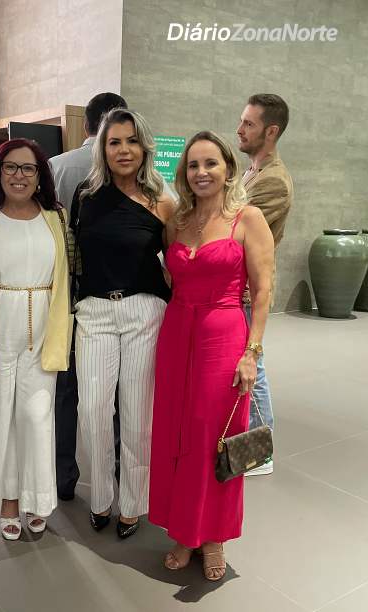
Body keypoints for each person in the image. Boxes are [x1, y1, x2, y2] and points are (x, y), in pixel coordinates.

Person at [148, 131, 273, 580]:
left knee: (213, 434)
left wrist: (251, 353)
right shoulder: (177, 221)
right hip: (177, 332)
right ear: (184, 174)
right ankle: (184, 531)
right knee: (177, 433)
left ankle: (214, 534)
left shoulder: (248, 218)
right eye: (193, 165)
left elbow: (264, 291)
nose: (201, 172)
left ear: (227, 169)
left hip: (223, 334)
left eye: (210, 163)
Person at [0, 138, 72, 540]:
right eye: (11, 167)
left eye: (28, 168)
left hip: (43, 328)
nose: (19, 175)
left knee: (36, 418)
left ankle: (37, 498)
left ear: (40, 175)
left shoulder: (55, 217)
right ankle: (8, 500)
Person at [71, 108, 173, 538]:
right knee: (93, 410)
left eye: (132, 141)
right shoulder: (86, 195)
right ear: (103, 148)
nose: (124, 149)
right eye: (114, 142)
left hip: (143, 312)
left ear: (144, 146)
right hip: (94, 312)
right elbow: (75, 255)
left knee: (136, 415)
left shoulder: (162, 200)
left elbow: (177, 263)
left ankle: (132, 503)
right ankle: (100, 498)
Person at [49, 92, 127, 501]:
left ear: (86, 124)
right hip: (112, 293)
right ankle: (117, 475)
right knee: (115, 390)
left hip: (62, 293)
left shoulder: (55, 166)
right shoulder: (130, 171)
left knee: (66, 390)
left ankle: (63, 478)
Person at [236, 93, 293, 476]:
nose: (240, 129)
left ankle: (259, 454)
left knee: (252, 364)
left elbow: (233, 223)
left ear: (271, 131)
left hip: (248, 288)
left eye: (249, 124)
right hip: (238, 285)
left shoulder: (274, 182)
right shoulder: (253, 172)